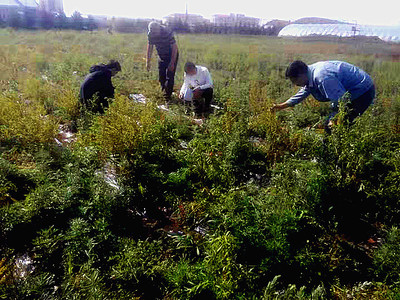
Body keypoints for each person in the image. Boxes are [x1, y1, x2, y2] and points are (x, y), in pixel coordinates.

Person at [272, 60, 375, 131]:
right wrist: (281, 106)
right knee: (335, 125)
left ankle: (338, 158)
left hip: (362, 91)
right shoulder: (309, 72)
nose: (295, 84)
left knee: (336, 126)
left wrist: (334, 119)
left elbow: (341, 100)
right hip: (349, 92)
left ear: (301, 75)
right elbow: (303, 92)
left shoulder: (323, 77)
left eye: (295, 80)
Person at [146, 21, 179, 101]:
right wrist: (148, 61)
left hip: (171, 55)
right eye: (152, 32)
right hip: (161, 55)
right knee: (161, 76)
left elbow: (174, 48)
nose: (154, 34)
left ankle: (168, 97)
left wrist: (172, 63)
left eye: (155, 32)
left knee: (170, 76)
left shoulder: (167, 32)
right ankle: (164, 91)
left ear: (159, 29)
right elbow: (150, 48)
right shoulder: (151, 34)